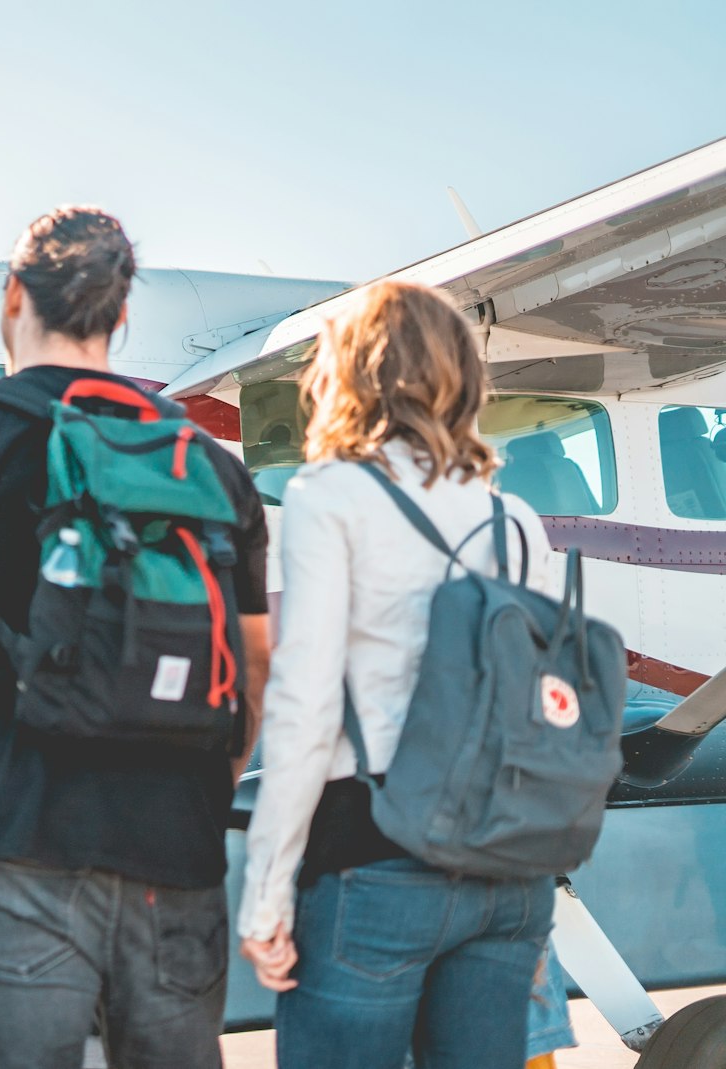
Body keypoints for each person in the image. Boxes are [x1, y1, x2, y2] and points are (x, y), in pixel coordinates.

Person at [0, 205, 272, 1069]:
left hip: (13, 841)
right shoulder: (206, 461)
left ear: (13, 296)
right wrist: (208, 778)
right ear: (121, 316)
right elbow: (257, 661)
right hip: (178, 855)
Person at [236, 280, 557, 1068]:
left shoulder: (332, 495)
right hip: (508, 871)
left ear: (350, 375)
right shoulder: (514, 521)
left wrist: (267, 888)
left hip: (371, 852)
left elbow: (307, 703)